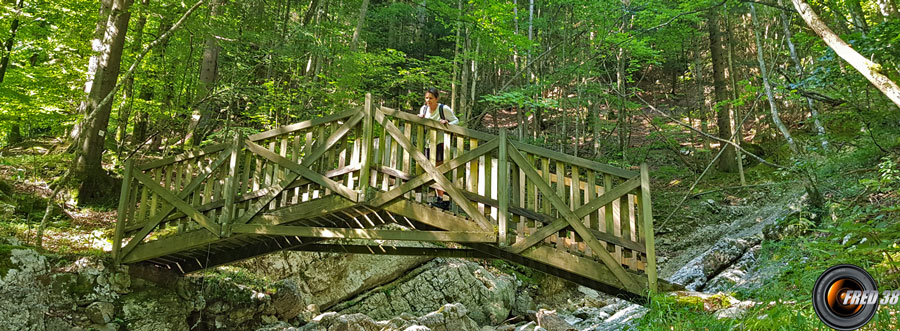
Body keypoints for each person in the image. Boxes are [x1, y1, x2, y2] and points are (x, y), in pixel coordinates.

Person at [417, 88, 458, 209]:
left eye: (431, 98)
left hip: (440, 143)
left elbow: (456, 120)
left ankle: (443, 199)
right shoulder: (423, 109)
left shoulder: (443, 109)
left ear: (436, 98)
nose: (428, 100)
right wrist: (421, 118)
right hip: (427, 143)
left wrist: (447, 122)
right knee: (430, 171)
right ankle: (438, 197)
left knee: (439, 170)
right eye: (426, 98)